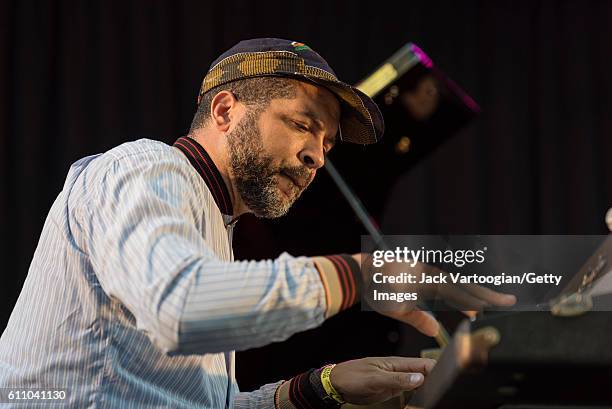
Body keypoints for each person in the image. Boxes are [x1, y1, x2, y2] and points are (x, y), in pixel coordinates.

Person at [0, 38, 512, 408]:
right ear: (225, 110)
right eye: (301, 125)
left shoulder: (214, 227)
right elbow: (182, 307)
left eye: (327, 145)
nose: (316, 157)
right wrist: (360, 275)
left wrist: (317, 388)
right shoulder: (144, 168)